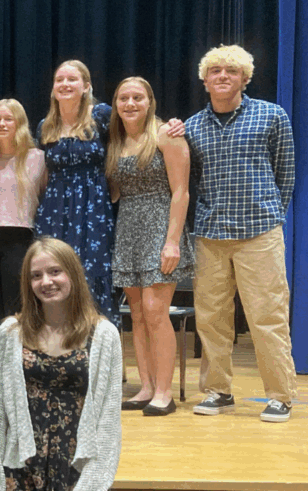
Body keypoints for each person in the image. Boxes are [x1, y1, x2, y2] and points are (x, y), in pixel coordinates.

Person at [184, 45, 298, 422]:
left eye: (231, 71)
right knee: (212, 320)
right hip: (211, 234)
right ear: (204, 80)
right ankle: (218, 390)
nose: (222, 76)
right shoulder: (192, 126)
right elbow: (193, 180)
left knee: (268, 316)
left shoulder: (271, 115)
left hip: (258, 233)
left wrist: (270, 214)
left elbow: (286, 174)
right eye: (215, 70)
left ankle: (280, 395)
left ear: (245, 78)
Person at [33, 60, 184, 329]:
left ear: (86, 86)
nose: (65, 84)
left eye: (72, 79)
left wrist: (172, 124)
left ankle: (101, 360)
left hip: (93, 209)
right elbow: (34, 167)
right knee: (53, 275)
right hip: (54, 211)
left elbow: (137, 130)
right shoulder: (45, 126)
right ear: (53, 88)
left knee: (92, 276)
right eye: (59, 80)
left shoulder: (102, 115)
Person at [0, 237, 122, 491]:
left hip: (77, 467)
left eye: (55, 271)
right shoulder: (10, 333)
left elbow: (108, 421)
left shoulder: (104, 335)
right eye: (36, 275)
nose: (46, 282)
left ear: (73, 274)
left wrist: (94, 482)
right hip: (21, 465)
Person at [106, 77, 193, 416]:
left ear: (150, 101)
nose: (130, 103)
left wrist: (172, 241)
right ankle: (145, 386)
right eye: (123, 97)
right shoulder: (115, 141)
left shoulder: (166, 135)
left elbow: (181, 191)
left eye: (137, 97)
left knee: (157, 313)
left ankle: (164, 392)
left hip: (160, 223)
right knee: (138, 316)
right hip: (128, 227)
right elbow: (114, 192)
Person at [0, 99, 47, 322]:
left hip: (20, 238)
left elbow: (44, 197)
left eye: (8, 119)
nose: (1, 124)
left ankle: (16, 356)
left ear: (20, 124)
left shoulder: (38, 159)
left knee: (17, 309)